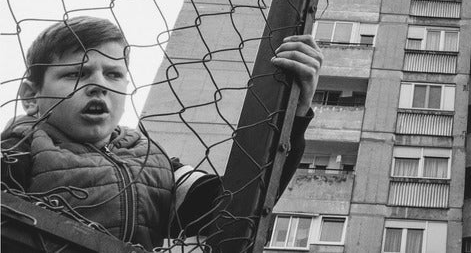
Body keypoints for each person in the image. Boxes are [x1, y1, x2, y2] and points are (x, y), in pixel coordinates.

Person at [1, 16, 323, 249]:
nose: (98, 85)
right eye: (77, 73)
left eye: (113, 74)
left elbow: (234, 208)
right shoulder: (20, 147)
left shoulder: (151, 160)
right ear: (31, 97)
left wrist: (292, 116)